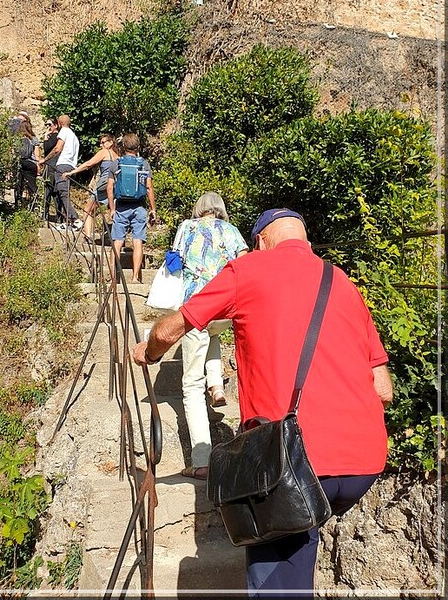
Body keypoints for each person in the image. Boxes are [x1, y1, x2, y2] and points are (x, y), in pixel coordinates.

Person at [134, 208, 393, 597]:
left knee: (278, 577)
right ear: (304, 238)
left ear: (260, 241)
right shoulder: (341, 281)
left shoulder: (248, 270)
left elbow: (175, 326)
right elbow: (383, 388)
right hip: (364, 463)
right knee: (299, 545)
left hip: (295, 460)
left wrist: (148, 352)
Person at [174, 192, 247, 480]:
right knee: (213, 336)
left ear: (199, 209)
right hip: (224, 310)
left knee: (191, 385)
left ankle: (202, 461)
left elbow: (176, 260)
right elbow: (244, 264)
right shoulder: (231, 231)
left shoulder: (187, 227)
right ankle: (216, 385)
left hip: (195, 309)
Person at [106, 133, 156, 283]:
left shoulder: (116, 163)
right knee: (137, 241)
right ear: (138, 147)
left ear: (123, 147)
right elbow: (148, 188)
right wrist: (153, 209)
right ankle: (135, 278)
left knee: (117, 241)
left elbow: (109, 188)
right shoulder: (143, 163)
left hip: (121, 207)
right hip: (139, 207)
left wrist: (112, 208)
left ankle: (114, 277)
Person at [62, 133, 119, 242]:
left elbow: (89, 164)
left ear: (111, 142)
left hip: (104, 185)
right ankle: (113, 236)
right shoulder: (117, 156)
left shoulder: (105, 152)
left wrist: (72, 172)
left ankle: (88, 236)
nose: (101, 145)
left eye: (103, 142)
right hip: (114, 186)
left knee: (88, 210)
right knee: (112, 210)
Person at [39, 114, 81, 231]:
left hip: (62, 165)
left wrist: (45, 159)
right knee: (64, 193)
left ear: (59, 123)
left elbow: (58, 149)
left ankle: (75, 219)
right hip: (71, 166)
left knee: (62, 193)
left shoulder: (64, 132)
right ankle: (68, 222)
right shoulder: (74, 136)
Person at [14, 118, 40, 208]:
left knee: (18, 184)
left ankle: (18, 204)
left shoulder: (17, 139)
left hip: (20, 162)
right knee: (32, 185)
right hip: (31, 163)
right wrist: (38, 166)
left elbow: (13, 152)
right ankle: (35, 204)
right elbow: (37, 155)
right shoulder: (34, 139)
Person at [42, 118, 61, 222]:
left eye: (50, 124)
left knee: (49, 191)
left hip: (51, 167)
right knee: (55, 193)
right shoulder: (59, 138)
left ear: (56, 125)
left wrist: (45, 137)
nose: (48, 127)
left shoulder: (55, 137)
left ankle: (45, 214)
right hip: (55, 167)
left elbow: (47, 148)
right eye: (46, 125)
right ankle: (59, 217)